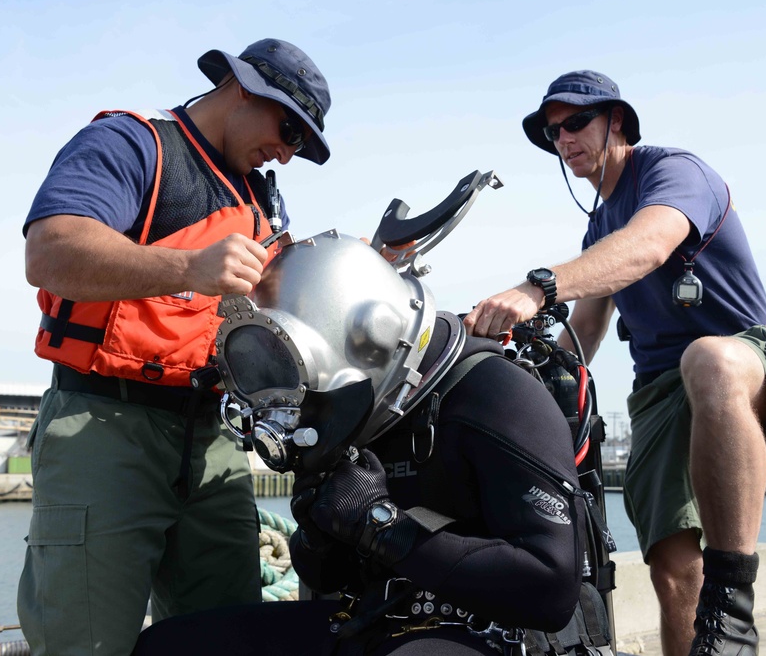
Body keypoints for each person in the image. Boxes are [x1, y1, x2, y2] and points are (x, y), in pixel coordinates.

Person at [463, 71, 766, 656]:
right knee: (673, 573)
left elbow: (648, 245)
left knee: (709, 360)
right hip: (658, 394)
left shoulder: (675, 172)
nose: (564, 140)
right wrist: (514, 380)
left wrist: (538, 288)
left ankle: (736, 603)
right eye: (553, 134)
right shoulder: (600, 223)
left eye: (575, 122)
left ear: (615, 121)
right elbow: (588, 328)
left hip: (742, 364)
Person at [133, 231, 599, 655]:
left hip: (498, 635)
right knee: (168, 646)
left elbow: (551, 589)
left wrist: (381, 526)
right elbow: (323, 578)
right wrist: (320, 530)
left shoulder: (496, 395)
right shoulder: (337, 407)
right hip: (376, 622)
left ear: (369, 338)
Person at [18, 38, 331, 656]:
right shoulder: (134, 145)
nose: (287, 154)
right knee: (84, 639)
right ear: (242, 88)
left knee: (232, 633)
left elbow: (274, 307)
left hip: (212, 437)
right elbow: (49, 251)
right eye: (288, 128)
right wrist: (190, 267)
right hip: (104, 427)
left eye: (301, 144)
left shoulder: (260, 199)